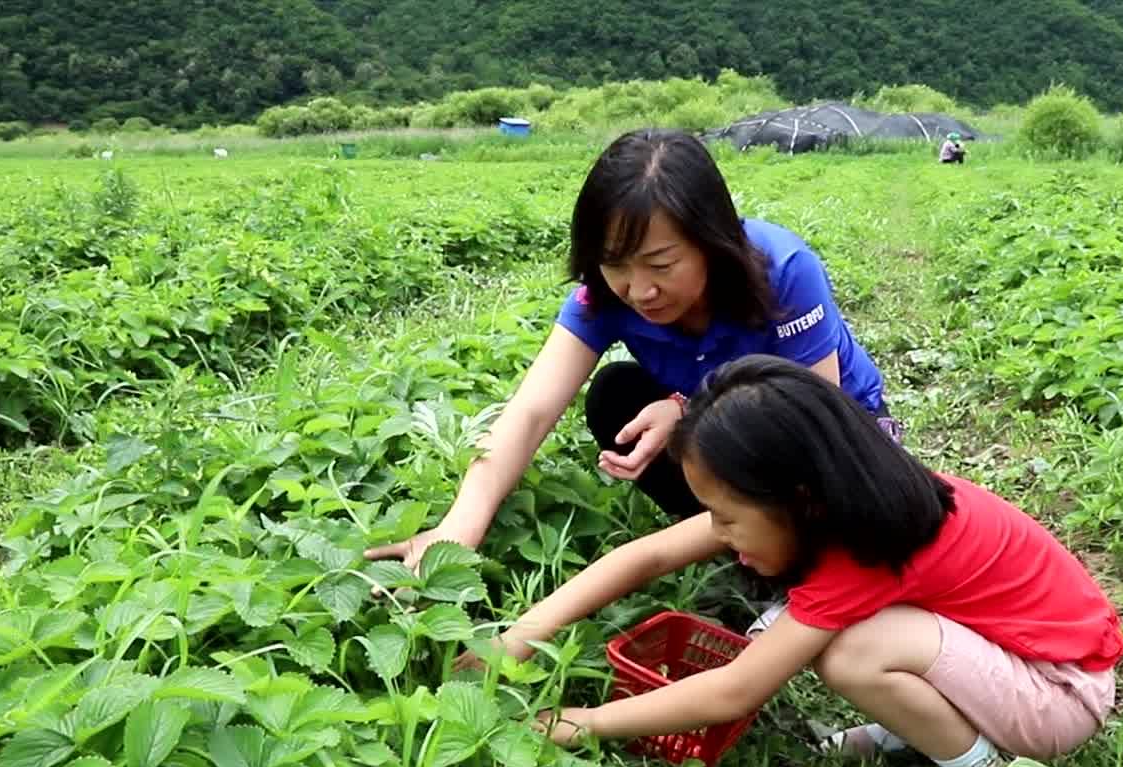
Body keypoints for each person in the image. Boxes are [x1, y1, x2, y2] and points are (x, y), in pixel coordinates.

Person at [482, 356, 1123, 767]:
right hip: (1020, 654)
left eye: (729, 519)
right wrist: (518, 636)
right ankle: (917, 728)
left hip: (1059, 693)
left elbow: (733, 692)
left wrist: (579, 722)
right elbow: (646, 556)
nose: (721, 536)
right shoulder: (856, 500)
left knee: (847, 652)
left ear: (798, 498)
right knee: (819, 636)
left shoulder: (859, 552)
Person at [365, 129, 895, 634]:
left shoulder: (782, 271)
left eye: (660, 264)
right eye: (616, 263)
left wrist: (689, 412)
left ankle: (788, 560)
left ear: (711, 241)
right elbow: (529, 413)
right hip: (731, 430)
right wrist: (459, 528)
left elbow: (807, 430)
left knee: (831, 503)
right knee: (616, 395)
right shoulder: (602, 296)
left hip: (834, 437)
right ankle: (744, 542)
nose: (639, 290)